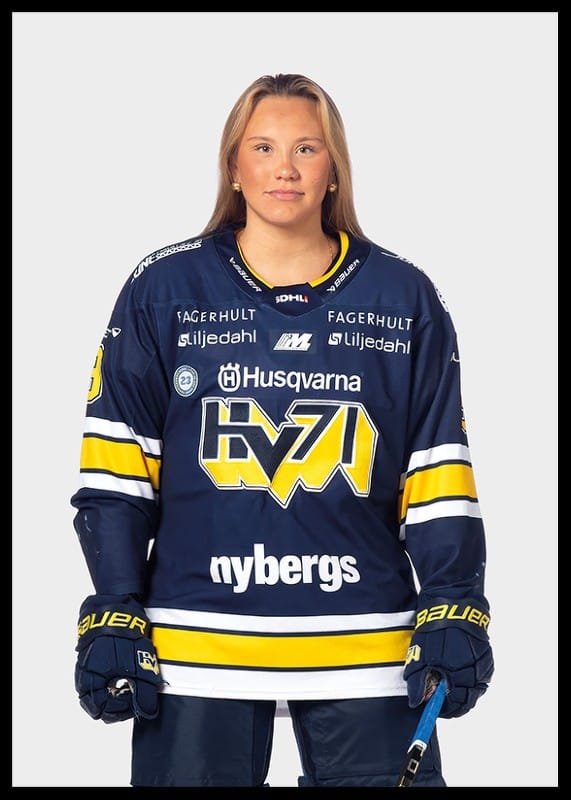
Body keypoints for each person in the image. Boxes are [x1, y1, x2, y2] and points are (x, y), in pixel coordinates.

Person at [71, 72, 494, 788]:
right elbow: (118, 469)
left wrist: (453, 599)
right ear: (233, 165)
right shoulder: (163, 290)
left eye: (307, 147)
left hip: (366, 646)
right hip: (195, 645)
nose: (285, 168)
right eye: (263, 147)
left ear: (334, 168)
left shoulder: (404, 297)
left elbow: (437, 471)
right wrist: (114, 602)